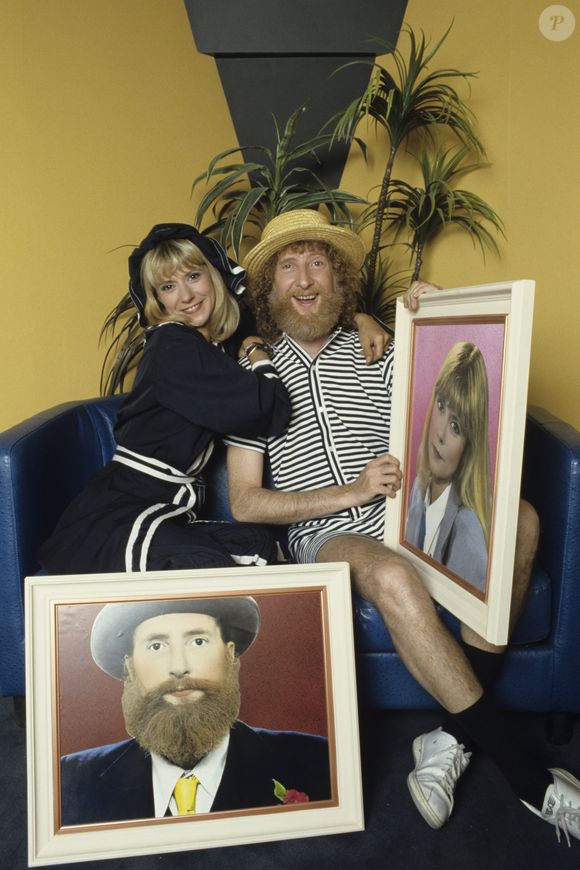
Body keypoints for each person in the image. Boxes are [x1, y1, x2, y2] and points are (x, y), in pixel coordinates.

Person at [225, 208, 580, 845]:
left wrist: (439, 319)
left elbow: (450, 394)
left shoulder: (378, 347)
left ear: (338, 280)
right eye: (288, 267)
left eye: (317, 263)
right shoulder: (251, 376)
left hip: (404, 514)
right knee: (391, 575)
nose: (304, 279)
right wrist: (353, 491)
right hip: (327, 532)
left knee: (522, 522)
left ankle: (450, 739)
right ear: (269, 288)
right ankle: (527, 775)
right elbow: (247, 503)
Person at [40, 222, 389, 576]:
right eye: (168, 287)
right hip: (122, 511)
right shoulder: (172, 345)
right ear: (158, 300)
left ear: (214, 276)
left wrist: (361, 318)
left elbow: (297, 309)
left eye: (193, 276)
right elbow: (271, 409)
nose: (186, 296)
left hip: (171, 510)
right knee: (206, 565)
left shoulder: (210, 344)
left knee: (258, 546)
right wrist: (257, 353)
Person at [60, 597, 330, 825]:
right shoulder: (69, 781)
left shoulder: (321, 762)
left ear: (229, 655)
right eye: (156, 646)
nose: (179, 667)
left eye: (198, 641)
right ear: (130, 668)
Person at [405, 341, 491, 592]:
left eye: (456, 426)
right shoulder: (419, 488)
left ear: (469, 446)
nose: (441, 433)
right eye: (441, 406)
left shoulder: (467, 529)